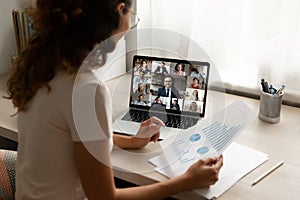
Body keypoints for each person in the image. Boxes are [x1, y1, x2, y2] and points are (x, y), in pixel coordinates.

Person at [6, 0, 223, 199]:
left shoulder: (43, 69)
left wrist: (131, 141)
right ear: (120, 10)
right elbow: (105, 198)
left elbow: (69, 140)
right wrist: (186, 181)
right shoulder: (87, 91)